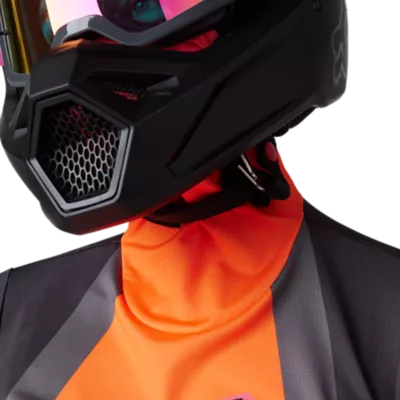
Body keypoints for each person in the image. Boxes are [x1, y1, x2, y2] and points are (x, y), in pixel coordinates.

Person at [0, 0, 399, 399]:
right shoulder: (9, 321)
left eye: (141, 5)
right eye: (51, 18)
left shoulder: (386, 325)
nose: (74, 55)